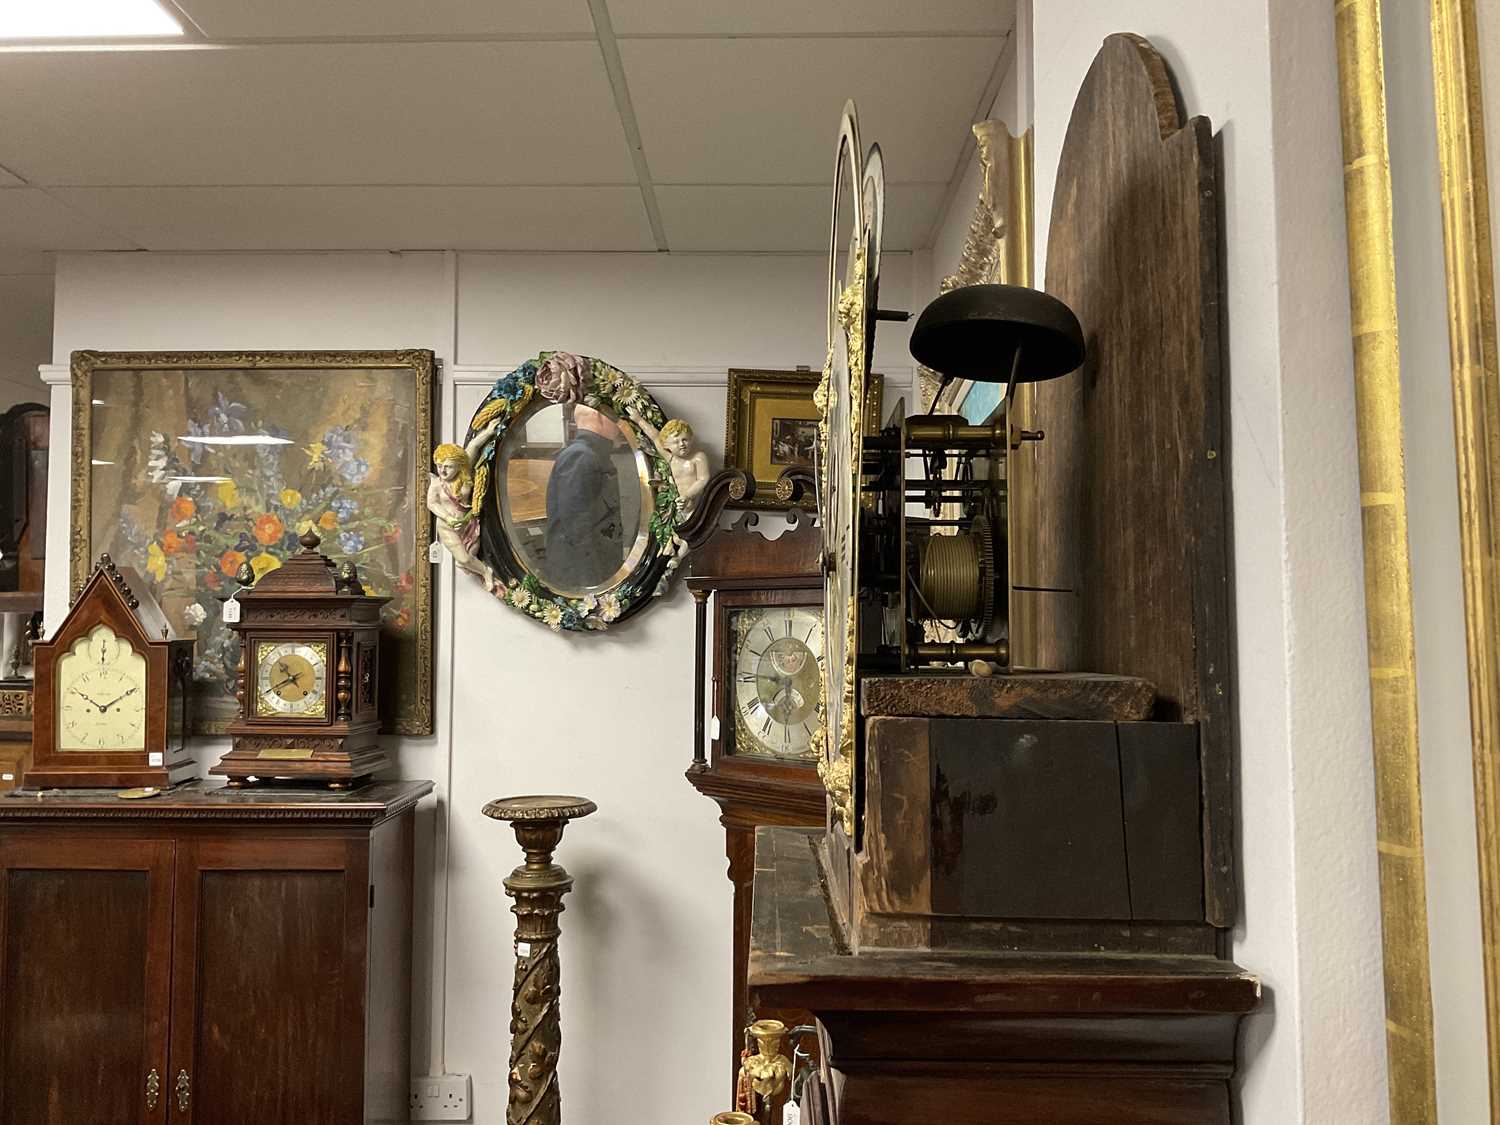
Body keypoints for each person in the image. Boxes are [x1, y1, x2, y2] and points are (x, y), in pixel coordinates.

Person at [544, 406, 624, 591]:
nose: (619, 424)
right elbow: (576, 527)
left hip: (592, 567)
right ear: (598, 416)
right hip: (583, 573)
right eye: (614, 417)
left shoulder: (590, 454)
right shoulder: (581, 456)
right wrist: (596, 580)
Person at [428, 420, 500, 591]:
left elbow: (474, 445)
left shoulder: (465, 472)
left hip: (468, 523)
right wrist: (448, 517)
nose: (442, 471)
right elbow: (432, 503)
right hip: (447, 527)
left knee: (469, 558)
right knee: (464, 560)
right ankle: (486, 572)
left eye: (447, 467)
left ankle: (478, 568)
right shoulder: (437, 484)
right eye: (439, 466)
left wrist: (489, 431)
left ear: (459, 466)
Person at [627, 408, 711, 515]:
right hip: (677, 507)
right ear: (667, 445)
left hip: (697, 506)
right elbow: (655, 437)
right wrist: (639, 420)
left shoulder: (698, 457)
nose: (681, 444)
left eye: (685, 439)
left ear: (691, 439)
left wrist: (687, 496)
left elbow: (703, 479)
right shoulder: (671, 458)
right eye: (676, 442)